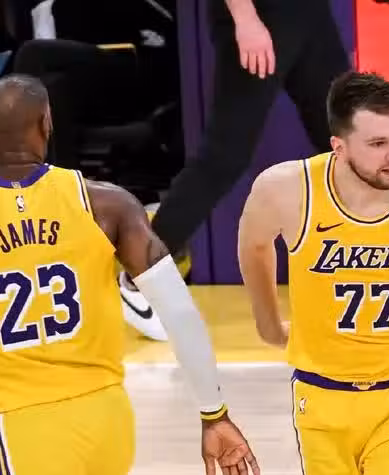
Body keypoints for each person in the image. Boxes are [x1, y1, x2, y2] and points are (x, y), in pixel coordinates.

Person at [0, 74, 260, 475]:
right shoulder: (107, 205)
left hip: (21, 426)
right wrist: (214, 415)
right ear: (47, 122)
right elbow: (179, 313)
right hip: (107, 420)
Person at [237, 71, 389, 475]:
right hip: (321, 390)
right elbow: (254, 244)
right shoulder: (286, 189)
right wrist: (268, 326)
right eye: (378, 144)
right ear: (339, 147)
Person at [119, 0, 351, 341]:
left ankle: (372, 270)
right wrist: (246, 19)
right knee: (224, 155)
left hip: (309, 13)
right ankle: (139, 277)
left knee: (346, 141)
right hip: (263, 14)